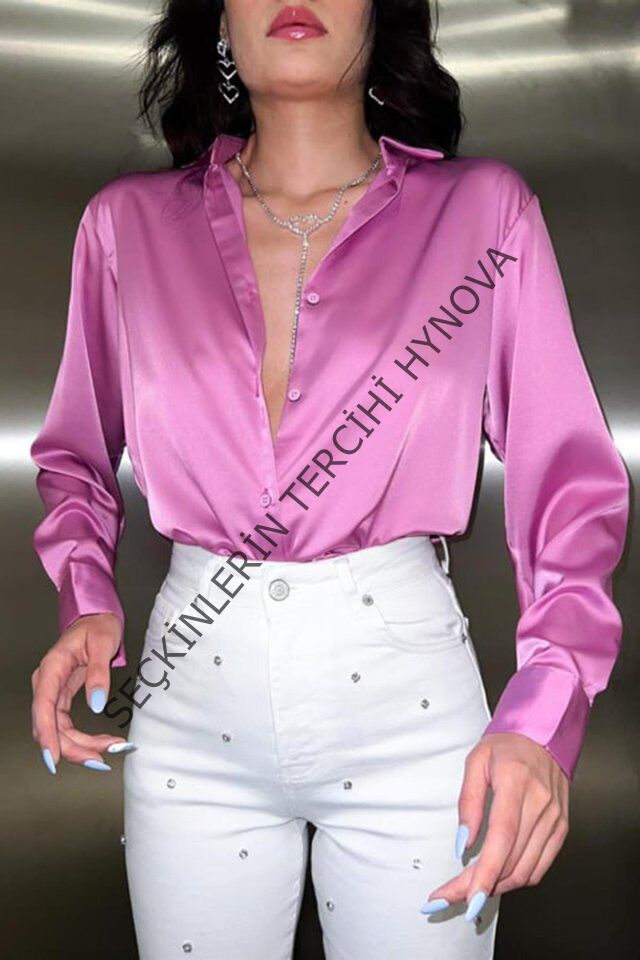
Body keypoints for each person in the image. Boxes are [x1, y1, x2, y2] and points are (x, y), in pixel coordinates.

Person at [28, 2, 630, 958]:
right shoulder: (124, 227)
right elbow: (73, 454)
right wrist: (85, 598)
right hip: (190, 724)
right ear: (219, 22)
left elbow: (570, 485)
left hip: (415, 726)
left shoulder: (484, 214)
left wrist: (546, 709)